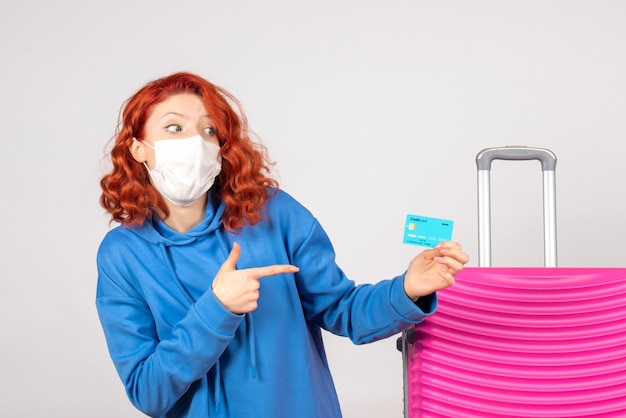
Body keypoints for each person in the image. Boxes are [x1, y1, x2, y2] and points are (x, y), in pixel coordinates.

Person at [96, 71, 469, 418]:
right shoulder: (123, 254)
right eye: (174, 127)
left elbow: (344, 310)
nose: (195, 143)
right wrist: (218, 308)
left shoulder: (274, 213)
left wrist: (408, 289)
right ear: (138, 148)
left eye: (208, 130)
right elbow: (149, 392)